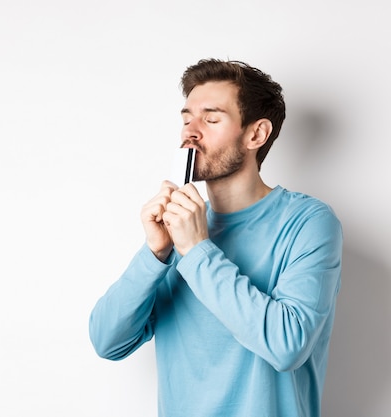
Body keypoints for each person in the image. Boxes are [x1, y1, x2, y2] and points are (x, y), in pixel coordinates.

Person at [89, 58, 343, 417]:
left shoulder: (307, 222)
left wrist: (196, 250)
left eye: (210, 119)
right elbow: (107, 341)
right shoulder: (178, 227)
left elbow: (287, 345)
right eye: (186, 119)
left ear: (256, 134)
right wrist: (155, 254)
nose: (190, 132)